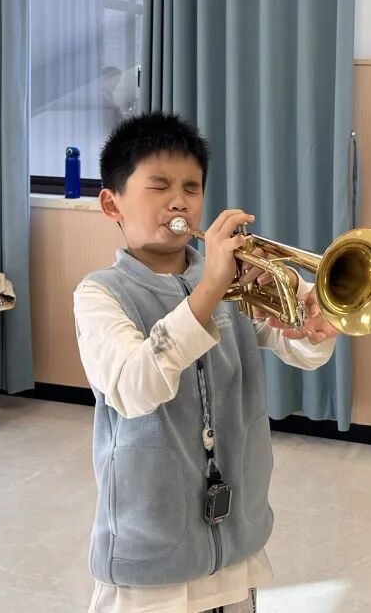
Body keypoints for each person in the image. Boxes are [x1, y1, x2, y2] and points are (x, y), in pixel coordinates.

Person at [73, 111, 338, 613]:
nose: (179, 201)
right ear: (112, 203)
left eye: (191, 187)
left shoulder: (233, 283)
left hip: (237, 544)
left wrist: (311, 329)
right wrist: (211, 287)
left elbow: (298, 352)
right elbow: (134, 386)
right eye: (159, 186)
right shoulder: (99, 295)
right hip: (150, 559)